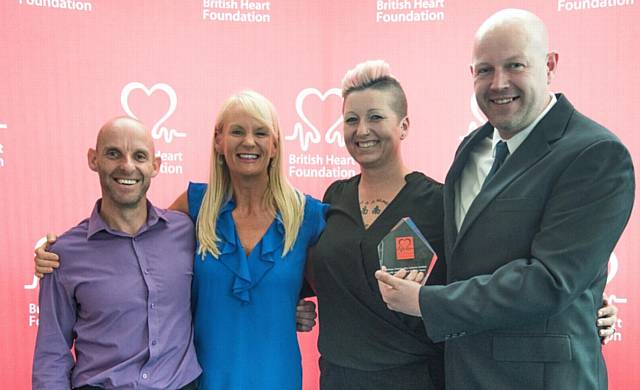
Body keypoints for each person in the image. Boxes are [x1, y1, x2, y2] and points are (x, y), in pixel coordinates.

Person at [375, 9, 634, 390]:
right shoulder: (474, 146)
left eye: (515, 65)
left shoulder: (596, 154)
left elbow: (551, 281)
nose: (498, 83)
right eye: (484, 70)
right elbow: (468, 255)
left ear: (549, 65)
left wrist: (428, 304)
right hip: (462, 372)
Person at [34, 91, 326, 390]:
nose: (249, 141)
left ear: (276, 144)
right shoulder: (195, 207)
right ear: (218, 140)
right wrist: (56, 254)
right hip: (205, 378)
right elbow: (134, 241)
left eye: (261, 132)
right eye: (237, 131)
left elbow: (341, 272)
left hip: (276, 376)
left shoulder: (308, 216)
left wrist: (288, 304)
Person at [32, 117, 201, 389]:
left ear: (155, 166)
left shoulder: (186, 231)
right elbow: (52, 355)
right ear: (93, 159)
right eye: (113, 154)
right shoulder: (63, 254)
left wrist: (294, 304)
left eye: (140, 156)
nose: (127, 166)